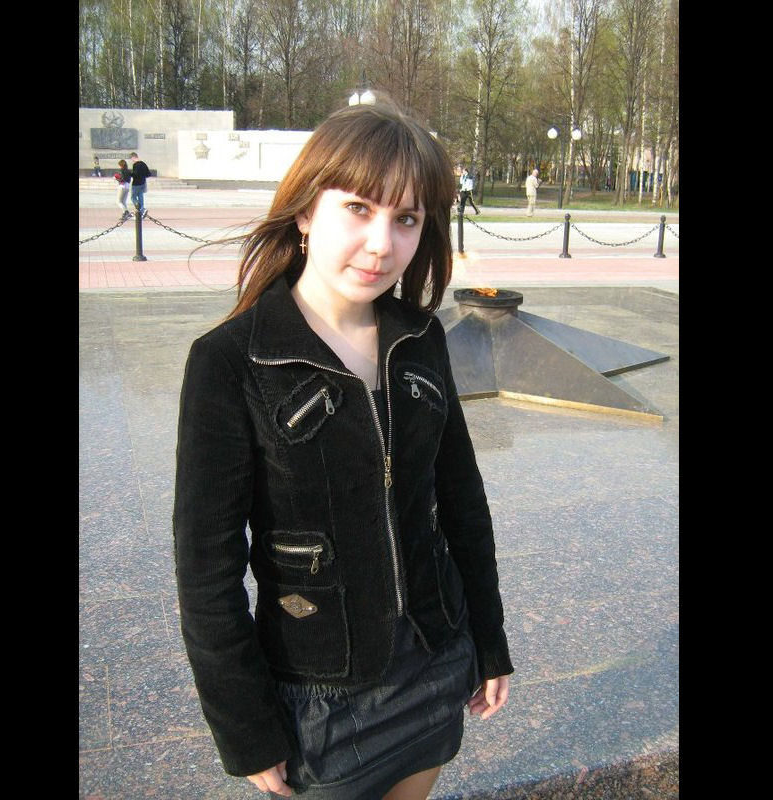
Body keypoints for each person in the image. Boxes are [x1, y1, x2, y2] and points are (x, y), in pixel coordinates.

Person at [173, 103, 513, 800]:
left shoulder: (421, 339)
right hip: (318, 695)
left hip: (434, 658)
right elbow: (206, 569)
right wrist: (244, 726)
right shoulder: (231, 361)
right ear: (305, 211)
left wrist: (488, 638)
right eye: (358, 208)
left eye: (406, 219)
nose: (381, 244)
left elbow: (463, 503)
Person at [129, 152, 151, 217]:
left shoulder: (135, 165)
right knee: (140, 196)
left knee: (133, 197)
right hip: (143, 183)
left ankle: (141, 209)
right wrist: (143, 176)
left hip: (136, 183)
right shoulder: (143, 164)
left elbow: (135, 174)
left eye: (131, 159)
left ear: (133, 157)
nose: (132, 160)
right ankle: (142, 210)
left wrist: (130, 174)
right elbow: (148, 174)